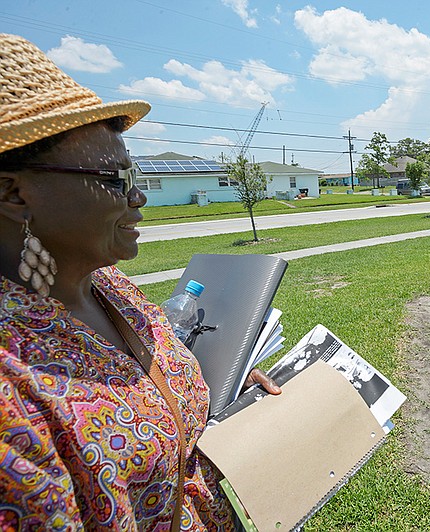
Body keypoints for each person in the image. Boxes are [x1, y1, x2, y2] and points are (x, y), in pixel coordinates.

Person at [0, 34, 280, 530]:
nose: (138, 200)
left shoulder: (108, 285)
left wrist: (228, 404)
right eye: (113, 181)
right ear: (14, 193)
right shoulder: (12, 388)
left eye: (135, 178)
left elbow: (159, 424)